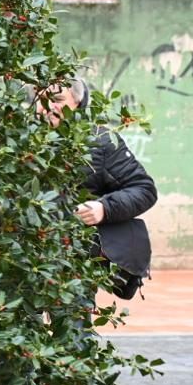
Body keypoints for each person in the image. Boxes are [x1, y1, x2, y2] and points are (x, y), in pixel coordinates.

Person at [44, 76, 158, 298]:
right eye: (42, 99)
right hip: (22, 260)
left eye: (57, 99)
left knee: (74, 329)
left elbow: (144, 189)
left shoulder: (100, 141)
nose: (49, 106)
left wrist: (103, 209)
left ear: (78, 103)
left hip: (74, 262)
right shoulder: (11, 143)